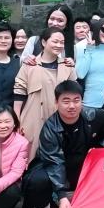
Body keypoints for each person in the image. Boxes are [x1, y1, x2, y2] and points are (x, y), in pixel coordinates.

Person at [21, 80, 104, 208]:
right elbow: (54, 162)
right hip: (52, 165)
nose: (72, 106)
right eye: (66, 101)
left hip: (81, 162)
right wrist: (62, 195)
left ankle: (88, 203)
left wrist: (100, 149)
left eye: (76, 100)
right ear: (56, 102)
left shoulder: (93, 115)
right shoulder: (50, 128)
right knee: (37, 180)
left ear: (82, 101)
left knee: (103, 164)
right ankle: (45, 206)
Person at [13, 28, 78, 162]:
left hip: (61, 118)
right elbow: (19, 94)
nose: (59, 45)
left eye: (62, 42)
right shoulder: (29, 65)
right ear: (44, 42)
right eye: (55, 41)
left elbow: (75, 94)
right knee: (29, 156)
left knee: (60, 157)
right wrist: (16, 120)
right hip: (33, 118)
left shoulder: (67, 66)